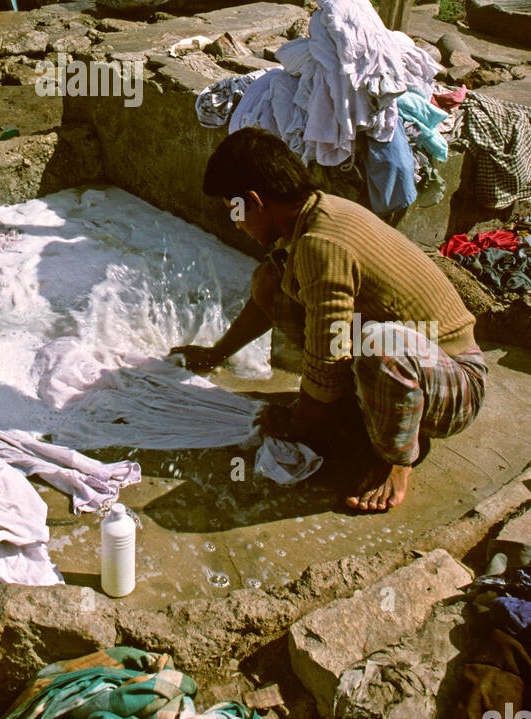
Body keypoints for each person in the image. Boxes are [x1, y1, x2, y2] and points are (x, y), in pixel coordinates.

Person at [176, 128, 486, 513]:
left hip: (455, 380)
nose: (236, 223)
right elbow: (275, 306)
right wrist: (215, 353)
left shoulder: (321, 243)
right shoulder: (314, 215)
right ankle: (356, 409)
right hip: (418, 362)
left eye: (234, 211)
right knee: (272, 280)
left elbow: (329, 355)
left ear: (255, 202)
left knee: (378, 348)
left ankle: (396, 457)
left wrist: (299, 424)